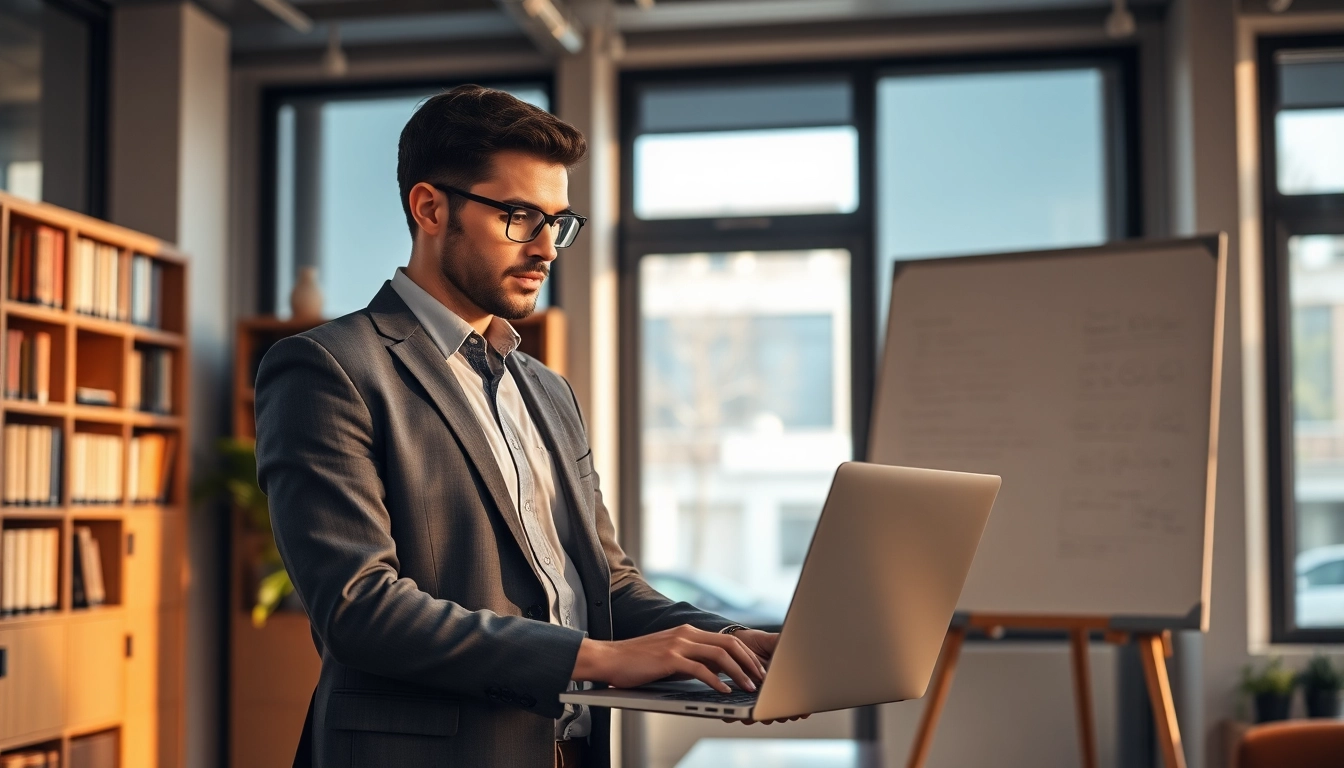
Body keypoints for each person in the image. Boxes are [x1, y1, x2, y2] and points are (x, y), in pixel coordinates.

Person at [254, 85, 801, 768]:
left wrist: (736, 642)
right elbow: (358, 609)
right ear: (429, 207)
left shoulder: (546, 390)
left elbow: (609, 585)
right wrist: (597, 658)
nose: (546, 248)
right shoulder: (328, 368)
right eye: (519, 216)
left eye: (558, 222)